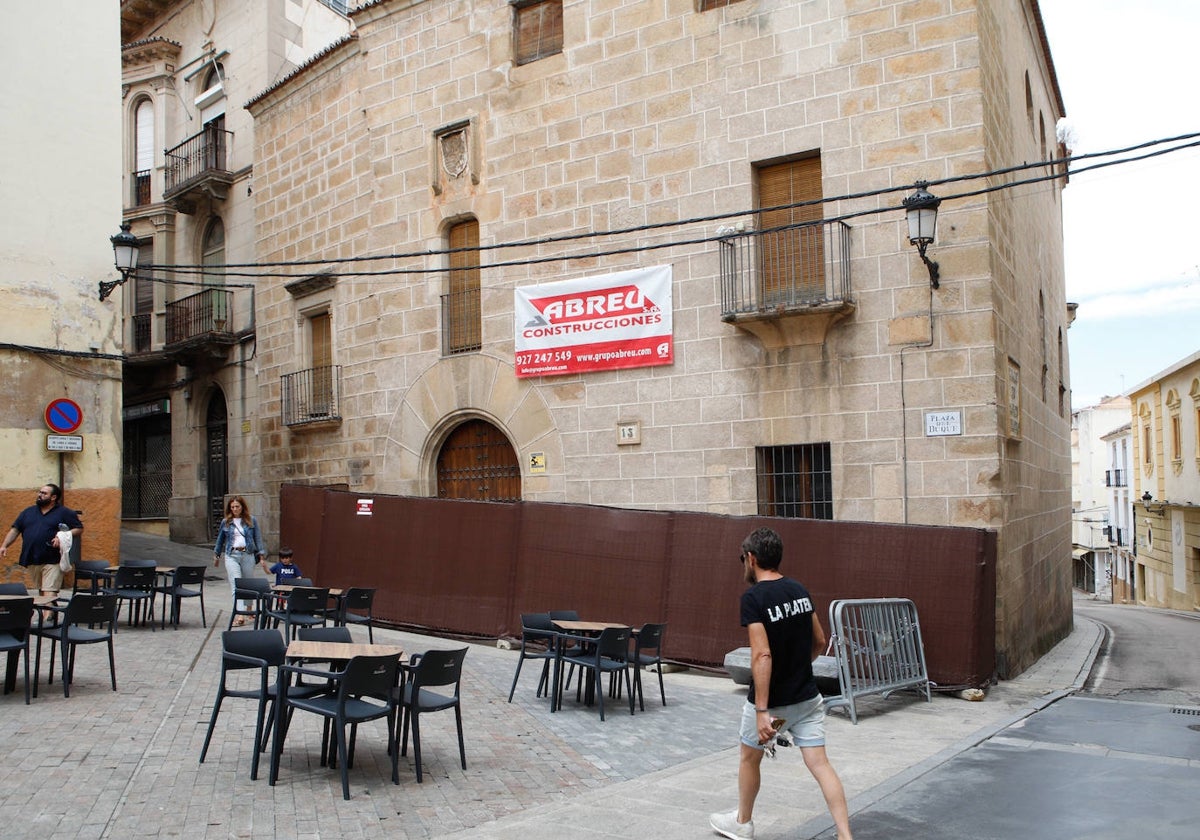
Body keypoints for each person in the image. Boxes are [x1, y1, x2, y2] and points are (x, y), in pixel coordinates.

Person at [709, 526, 853, 840]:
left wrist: (762, 710)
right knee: (820, 763)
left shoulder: (754, 598)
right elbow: (819, 640)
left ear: (751, 558)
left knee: (750, 757)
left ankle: (742, 822)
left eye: (743, 559)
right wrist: (798, 669)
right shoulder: (800, 590)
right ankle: (844, 835)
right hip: (808, 699)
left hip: (773, 705)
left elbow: (761, 655)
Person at [0, 483, 84, 599]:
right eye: (40, 492)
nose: (40, 495)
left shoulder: (64, 512)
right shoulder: (28, 512)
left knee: (49, 590)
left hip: (53, 558)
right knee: (42, 590)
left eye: (44, 493)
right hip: (33, 557)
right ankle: (47, 613)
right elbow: (15, 530)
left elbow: (78, 529)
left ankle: (47, 617)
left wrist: (62, 535)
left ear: (53, 497)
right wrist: (4, 546)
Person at [212, 495, 266, 627]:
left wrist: (262, 556)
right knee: (236, 584)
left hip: (247, 554)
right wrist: (217, 555)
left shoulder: (251, 520)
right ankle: (240, 614)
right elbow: (220, 540)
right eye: (232, 507)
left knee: (247, 583)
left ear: (242, 507)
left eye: (237, 506)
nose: (235, 509)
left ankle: (249, 608)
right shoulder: (226, 522)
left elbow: (258, 538)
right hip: (232, 555)